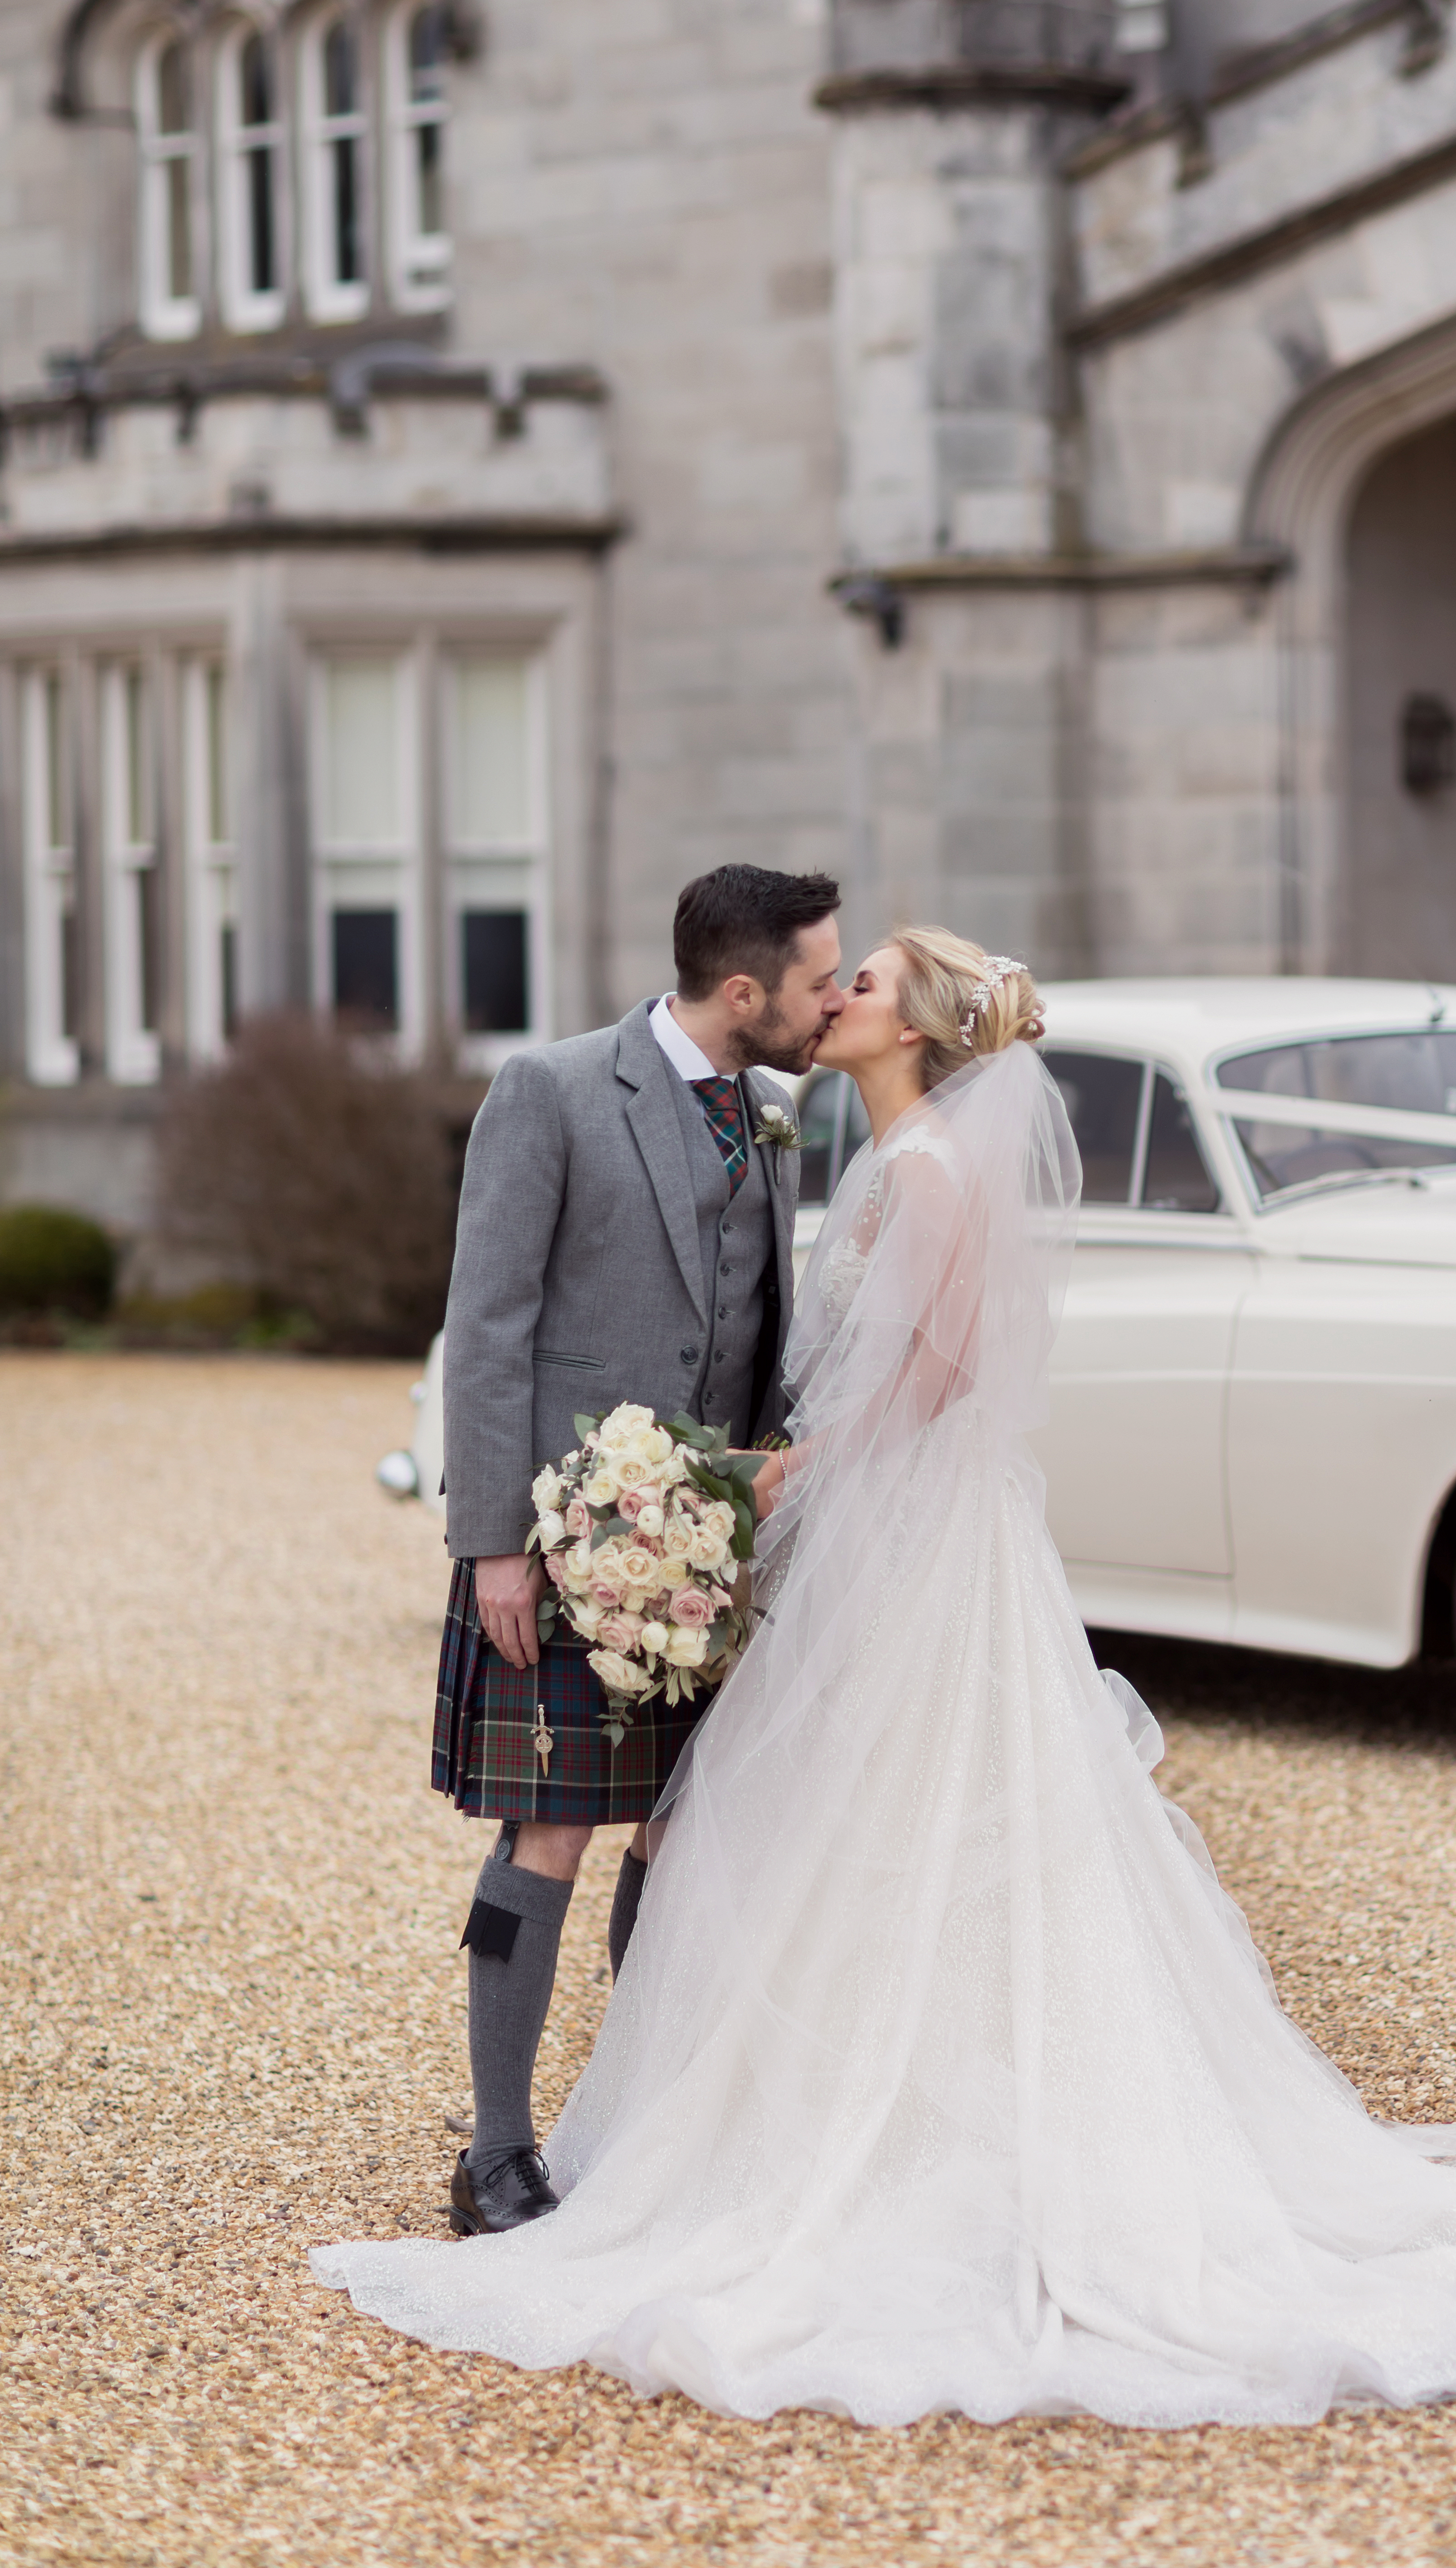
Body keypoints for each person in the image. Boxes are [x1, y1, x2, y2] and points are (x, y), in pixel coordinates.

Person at [317, 926, 1456, 2421]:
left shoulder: (920, 1169)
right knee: (777, 1830)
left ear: (910, 1028)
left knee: (827, 1829)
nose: (833, 995)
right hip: (842, 1540)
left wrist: (795, 1472)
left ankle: (788, 2142)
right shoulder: (846, 1142)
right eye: (824, 975)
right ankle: (642, 2129)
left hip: (895, 1539)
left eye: (860, 982)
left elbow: (945, 1374)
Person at [427, 861, 842, 2238]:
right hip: (567, 1541)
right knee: (547, 1830)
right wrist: (495, 1543)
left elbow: (761, 1330)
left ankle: (637, 2123)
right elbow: (487, 1323)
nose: (830, 999)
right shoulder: (552, 1091)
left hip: (713, 1545)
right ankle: (495, 2154)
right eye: (816, 979)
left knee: (678, 1832)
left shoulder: (771, 1111)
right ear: (743, 991)